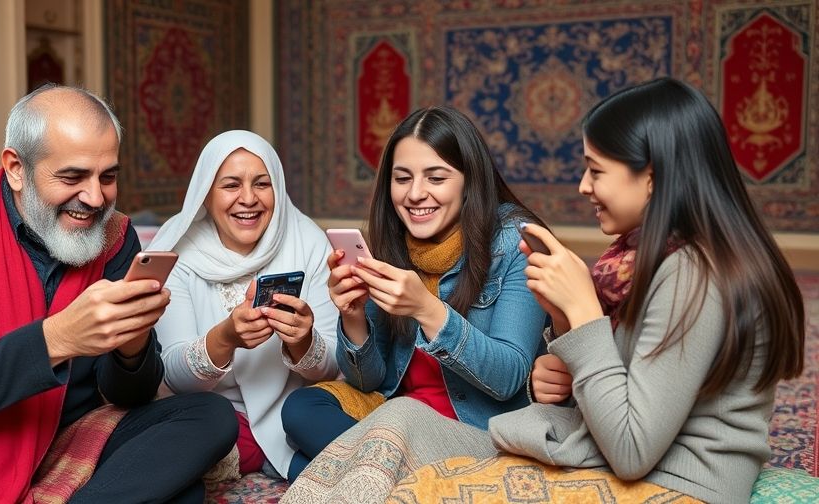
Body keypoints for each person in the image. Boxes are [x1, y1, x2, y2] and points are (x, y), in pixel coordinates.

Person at [281, 78, 805, 504]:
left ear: (653, 178)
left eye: (596, 170)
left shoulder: (689, 272)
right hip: (622, 451)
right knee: (374, 422)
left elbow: (627, 443)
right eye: (402, 178)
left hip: (672, 478)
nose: (581, 186)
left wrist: (580, 317)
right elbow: (630, 386)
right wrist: (564, 342)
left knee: (408, 470)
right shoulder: (649, 261)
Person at [0, 85, 237, 503]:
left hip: (67, 435)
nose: (95, 198)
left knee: (210, 417)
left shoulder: (116, 239)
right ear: (16, 168)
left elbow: (131, 397)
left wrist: (131, 348)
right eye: (73, 176)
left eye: (107, 176)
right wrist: (55, 340)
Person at [280, 106, 548, 481]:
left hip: (475, 428)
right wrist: (353, 316)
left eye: (436, 178)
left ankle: (379, 475)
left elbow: (509, 378)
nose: (415, 194)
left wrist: (427, 309)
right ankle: (401, 479)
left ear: (470, 181)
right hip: (396, 414)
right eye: (402, 178)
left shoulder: (513, 242)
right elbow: (369, 382)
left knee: (308, 468)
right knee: (300, 409)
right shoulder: (395, 242)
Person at [147, 130, 340, 480]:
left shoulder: (308, 242)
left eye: (262, 184)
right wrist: (225, 338)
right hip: (212, 414)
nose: (248, 199)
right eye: (231, 185)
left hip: (292, 409)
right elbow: (172, 375)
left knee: (325, 436)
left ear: (278, 190)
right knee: (202, 430)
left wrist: (302, 341)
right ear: (206, 193)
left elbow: (331, 368)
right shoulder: (177, 251)